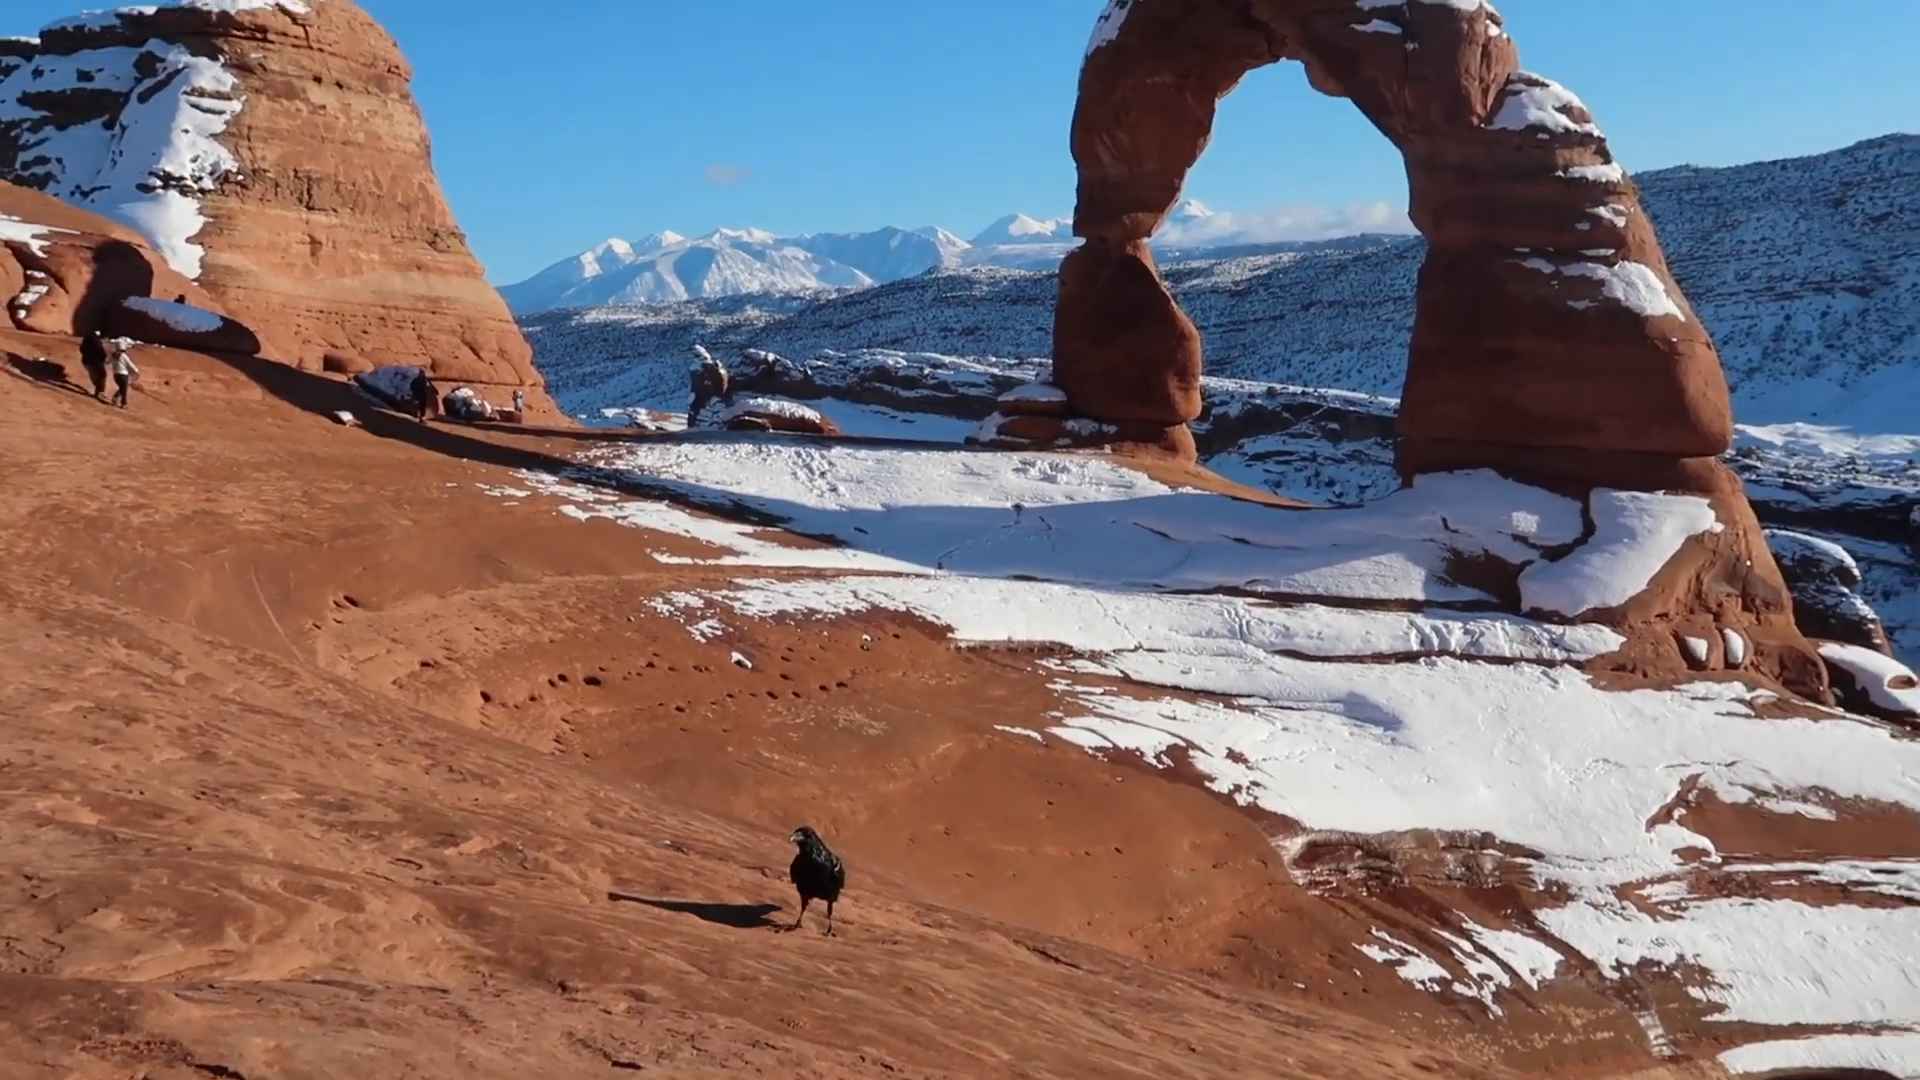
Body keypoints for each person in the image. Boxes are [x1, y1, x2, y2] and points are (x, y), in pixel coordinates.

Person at [108, 337, 139, 409]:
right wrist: (136, 371)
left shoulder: (113, 355)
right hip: (123, 375)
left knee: (122, 388)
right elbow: (130, 364)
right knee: (124, 390)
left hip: (116, 375)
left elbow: (108, 362)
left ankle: (115, 399)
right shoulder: (124, 356)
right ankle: (123, 404)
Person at [80, 331, 108, 400]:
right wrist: (103, 359)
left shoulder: (86, 338)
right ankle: (100, 392)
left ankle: (98, 391)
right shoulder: (97, 341)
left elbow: (81, 349)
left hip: (86, 361)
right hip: (96, 362)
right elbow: (102, 352)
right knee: (102, 375)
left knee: (94, 375)